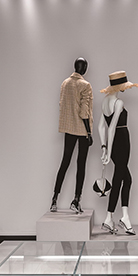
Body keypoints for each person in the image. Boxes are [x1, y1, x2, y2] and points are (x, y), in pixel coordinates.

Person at [98, 71, 138, 234]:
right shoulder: (118, 102)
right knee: (119, 180)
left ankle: (121, 217)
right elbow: (111, 128)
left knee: (126, 179)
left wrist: (104, 147)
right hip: (121, 142)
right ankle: (112, 218)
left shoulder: (105, 102)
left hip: (114, 144)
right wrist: (108, 151)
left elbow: (101, 127)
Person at [52, 57, 93, 213]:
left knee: (65, 162)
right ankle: (76, 200)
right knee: (81, 165)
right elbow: (84, 111)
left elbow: (62, 105)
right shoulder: (85, 85)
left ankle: (54, 199)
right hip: (82, 130)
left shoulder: (65, 83)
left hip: (69, 129)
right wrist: (88, 132)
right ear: (84, 68)